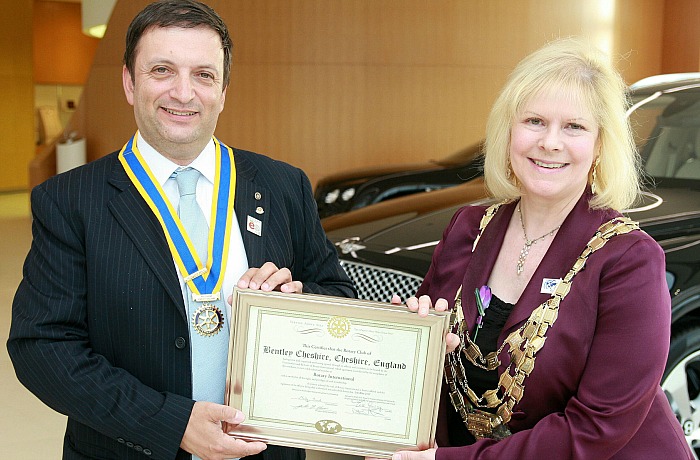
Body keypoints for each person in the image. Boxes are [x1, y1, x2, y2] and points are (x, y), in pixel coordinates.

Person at [7, 1, 355, 459]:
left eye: (204, 75)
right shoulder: (71, 200)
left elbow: (338, 299)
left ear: (224, 90)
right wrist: (172, 424)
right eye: (162, 70)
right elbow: (43, 347)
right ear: (130, 83)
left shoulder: (281, 184)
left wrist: (297, 304)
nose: (184, 93)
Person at [384, 38, 694, 459]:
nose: (550, 142)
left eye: (574, 127)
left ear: (601, 144)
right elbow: (429, 379)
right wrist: (413, 345)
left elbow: (597, 428)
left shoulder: (628, 259)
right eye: (534, 120)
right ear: (508, 131)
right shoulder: (468, 229)